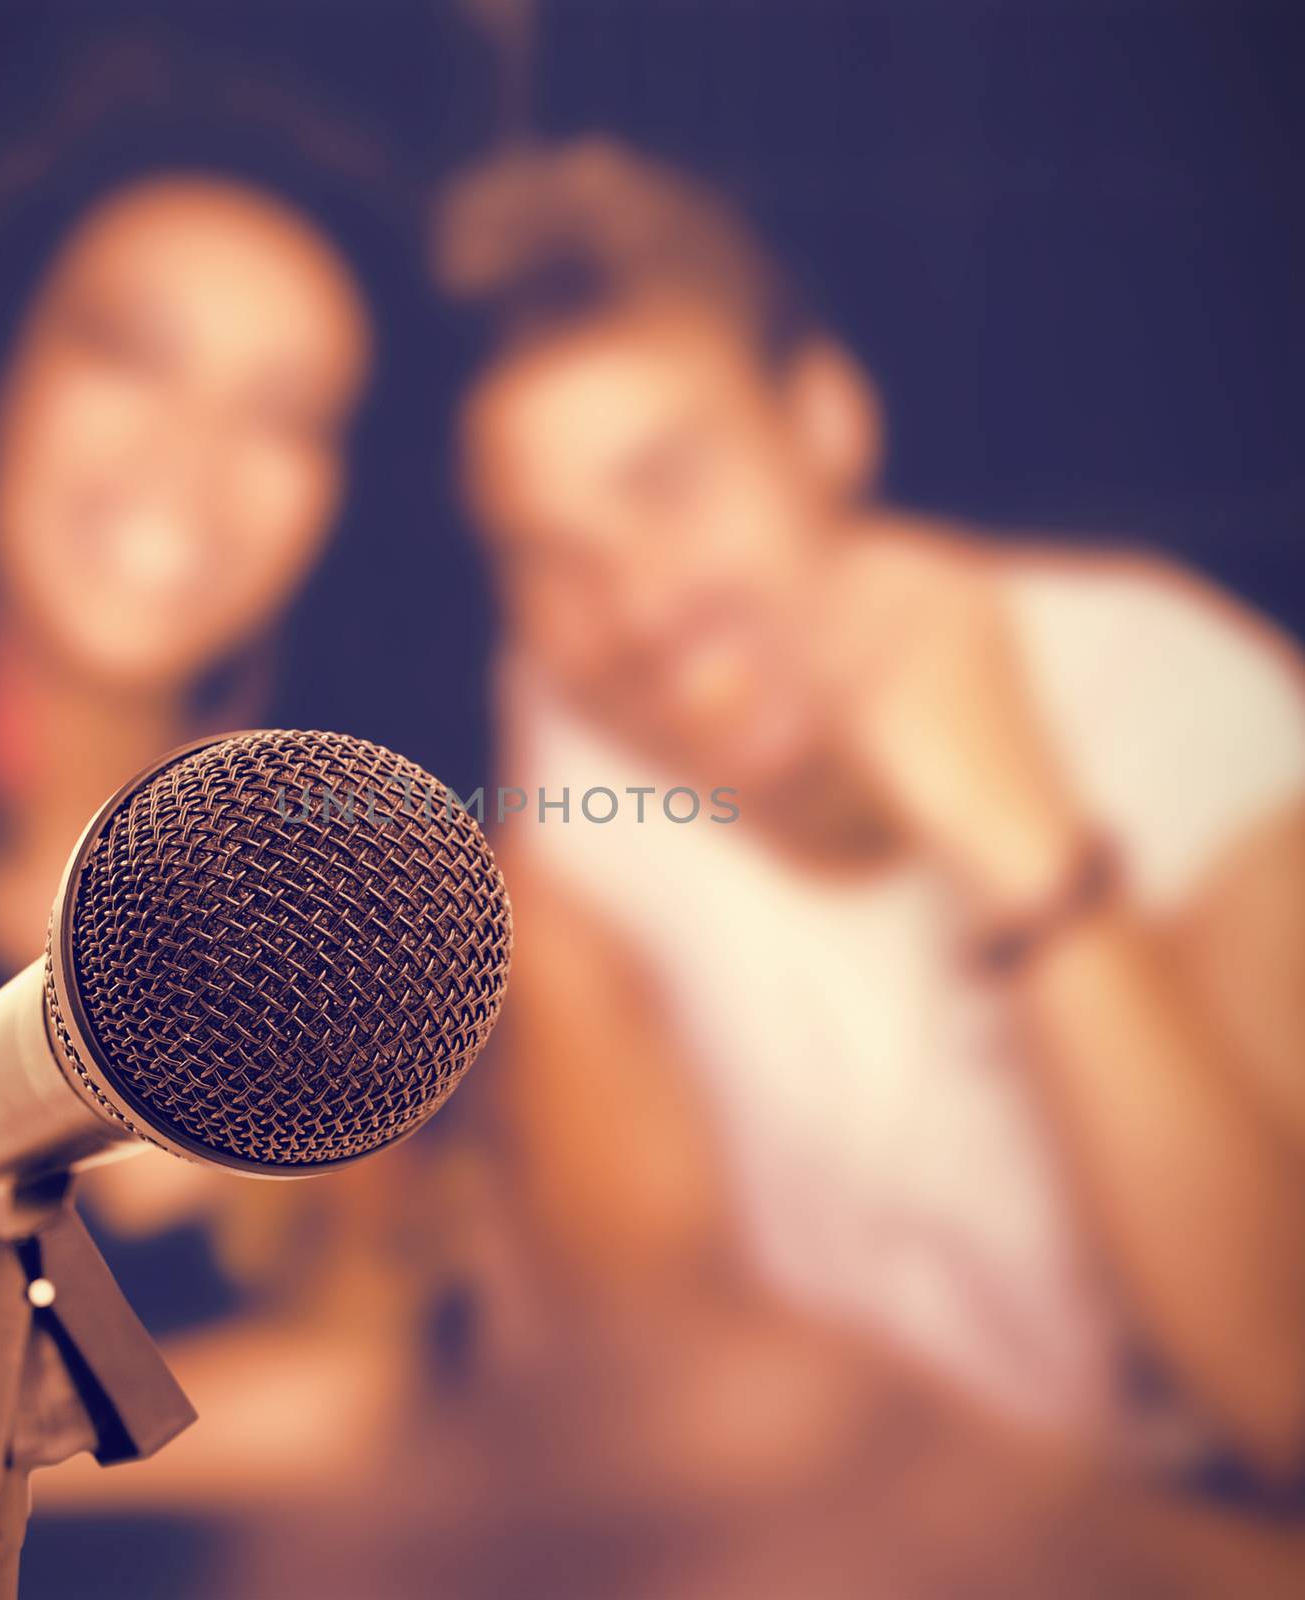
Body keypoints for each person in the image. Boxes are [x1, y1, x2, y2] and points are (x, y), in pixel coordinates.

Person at [432, 138, 1305, 1493]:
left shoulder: (1187, 701)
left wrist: (1030, 857)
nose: (641, 607)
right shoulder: (559, 751)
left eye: (669, 483)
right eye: (549, 553)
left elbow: (1282, 1390)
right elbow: (652, 1358)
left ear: (827, 421)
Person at [0, 75, 479, 1594]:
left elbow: (357, 1396)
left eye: (285, 413)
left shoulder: (317, 850)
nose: (193, 459)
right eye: (131, 352)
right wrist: (0, 1133)